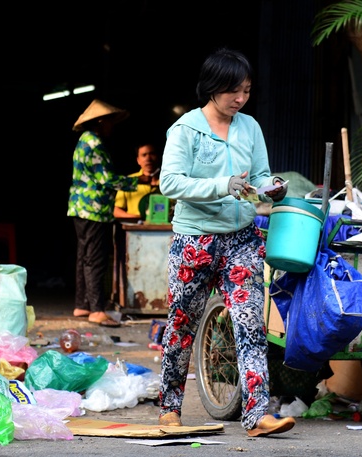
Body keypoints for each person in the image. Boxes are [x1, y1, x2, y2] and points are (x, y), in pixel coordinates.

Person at [157, 47, 293, 436]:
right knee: (182, 323)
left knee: (250, 325)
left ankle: (257, 415)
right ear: (212, 88)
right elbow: (170, 183)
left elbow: (263, 175)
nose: (240, 99)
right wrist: (224, 185)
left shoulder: (250, 127)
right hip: (195, 240)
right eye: (234, 91)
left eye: (247, 91)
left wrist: (273, 189)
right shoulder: (185, 129)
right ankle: (169, 408)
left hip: (243, 240)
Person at [67, 99, 154, 326]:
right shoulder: (94, 143)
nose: (112, 127)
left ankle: (82, 304)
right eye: (110, 122)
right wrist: (140, 181)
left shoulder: (83, 141)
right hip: (94, 209)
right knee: (95, 259)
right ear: (101, 121)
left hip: (81, 208)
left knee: (84, 257)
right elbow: (107, 180)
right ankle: (96, 310)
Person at [114, 142, 161, 219]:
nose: (148, 158)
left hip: (163, 229)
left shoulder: (168, 181)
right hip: (135, 228)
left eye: (151, 154)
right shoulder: (129, 181)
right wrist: (138, 218)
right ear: (138, 160)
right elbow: (117, 211)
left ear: (158, 157)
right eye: (144, 155)